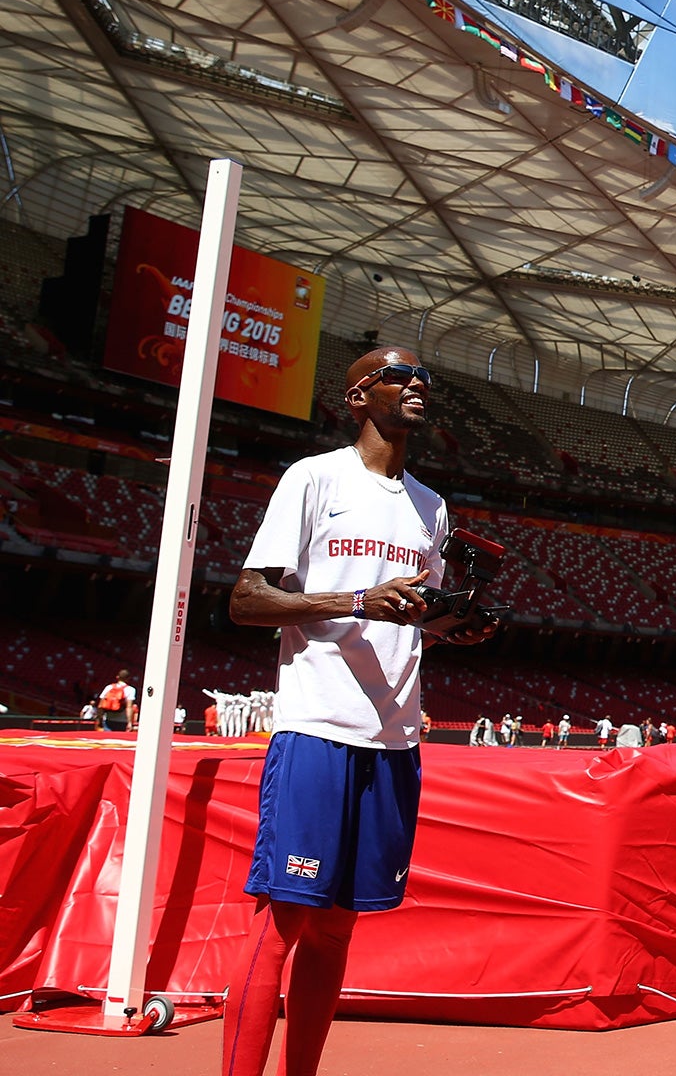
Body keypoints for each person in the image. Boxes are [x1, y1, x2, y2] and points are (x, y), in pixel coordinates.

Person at [218, 347, 495, 1076]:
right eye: (400, 377)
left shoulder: (432, 508)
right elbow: (247, 600)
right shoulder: (314, 479)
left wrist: (451, 628)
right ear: (357, 397)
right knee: (281, 925)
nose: (418, 388)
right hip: (317, 730)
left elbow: (407, 617)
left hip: (394, 740)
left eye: (426, 379)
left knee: (336, 935)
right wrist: (354, 600)